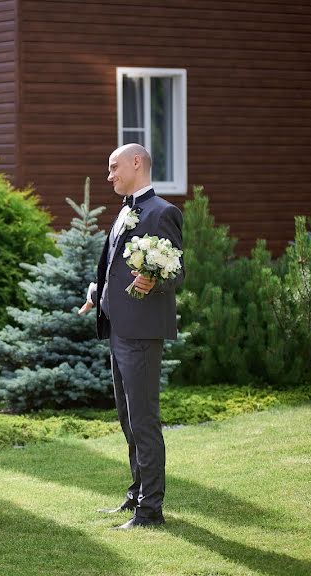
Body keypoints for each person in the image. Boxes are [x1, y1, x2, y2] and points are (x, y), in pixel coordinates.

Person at [78, 144, 183, 529]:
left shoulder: (162, 212)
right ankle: (135, 495)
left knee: (143, 420)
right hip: (117, 329)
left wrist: (154, 279)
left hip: (141, 333)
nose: (109, 176)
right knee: (127, 418)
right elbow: (113, 269)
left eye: (113, 167)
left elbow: (177, 272)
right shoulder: (124, 211)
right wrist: (96, 294)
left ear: (136, 163)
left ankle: (150, 510)